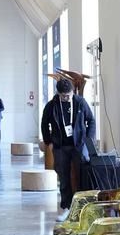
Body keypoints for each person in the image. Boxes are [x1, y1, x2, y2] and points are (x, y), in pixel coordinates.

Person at [40, 77, 96, 210]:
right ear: (58, 93)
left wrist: (88, 141)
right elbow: (44, 123)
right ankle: (66, 206)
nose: (66, 98)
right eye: (63, 96)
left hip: (79, 145)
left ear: (73, 92)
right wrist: (48, 142)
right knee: (63, 176)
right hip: (60, 146)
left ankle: (82, 205)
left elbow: (91, 121)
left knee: (81, 174)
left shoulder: (80, 102)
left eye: (69, 95)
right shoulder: (52, 105)